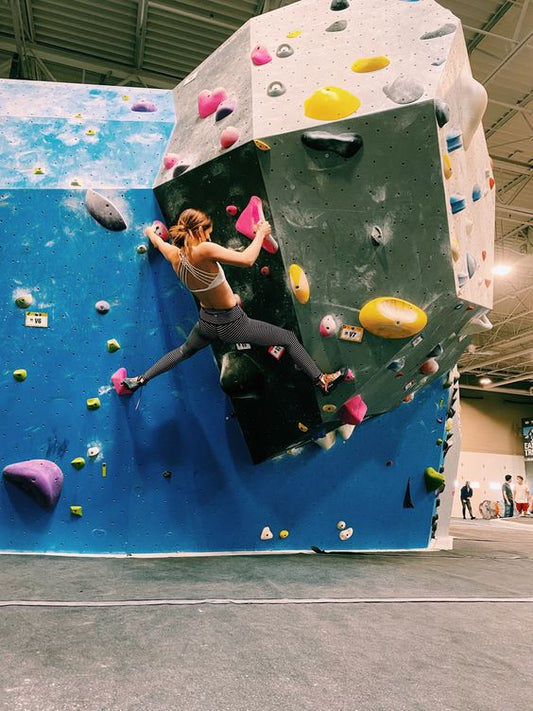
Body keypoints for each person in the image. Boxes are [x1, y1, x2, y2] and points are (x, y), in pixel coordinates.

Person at [121, 208, 346, 395]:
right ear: (199, 230)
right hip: (232, 324)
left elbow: (158, 242)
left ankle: (140, 380)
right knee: (287, 339)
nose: (209, 237)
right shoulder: (204, 249)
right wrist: (260, 233)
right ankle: (321, 380)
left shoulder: (174, 255)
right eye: (207, 232)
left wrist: (150, 232)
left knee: (182, 351)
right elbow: (247, 260)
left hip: (207, 323)